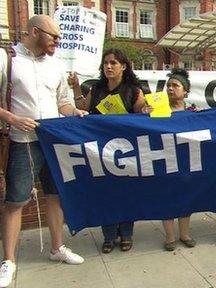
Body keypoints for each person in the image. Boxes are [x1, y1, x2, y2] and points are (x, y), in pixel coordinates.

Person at [0, 15, 88, 288]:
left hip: (53, 141)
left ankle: (57, 248)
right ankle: (9, 261)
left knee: (55, 195)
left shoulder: (56, 66)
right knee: (15, 200)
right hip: (21, 140)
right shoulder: (7, 59)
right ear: (35, 32)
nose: (57, 41)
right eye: (54, 36)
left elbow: (63, 102)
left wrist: (75, 111)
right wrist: (12, 118)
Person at [69, 48, 146, 253]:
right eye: (106, 63)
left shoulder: (134, 91)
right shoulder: (97, 89)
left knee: (126, 194)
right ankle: (109, 236)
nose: (109, 66)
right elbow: (83, 110)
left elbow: (144, 118)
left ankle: (126, 234)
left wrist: (149, 110)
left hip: (126, 153)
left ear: (124, 66)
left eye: (113, 63)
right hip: (101, 152)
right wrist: (76, 88)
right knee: (105, 193)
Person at [142, 68, 197, 251]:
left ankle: (185, 234)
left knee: (186, 197)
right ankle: (170, 236)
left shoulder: (194, 112)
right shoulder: (157, 111)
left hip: (186, 160)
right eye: (168, 86)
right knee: (166, 196)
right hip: (163, 160)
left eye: (175, 85)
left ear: (185, 91)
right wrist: (144, 115)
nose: (171, 89)